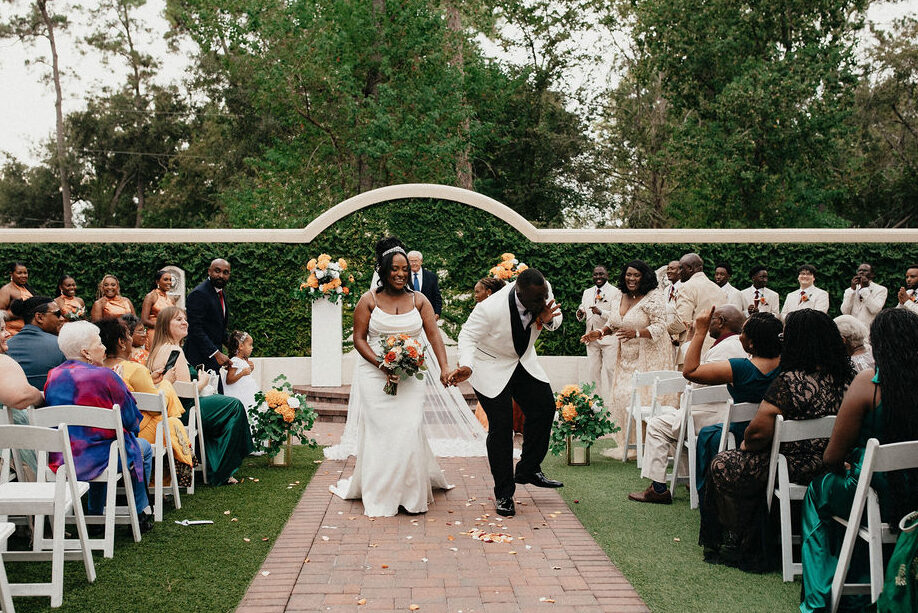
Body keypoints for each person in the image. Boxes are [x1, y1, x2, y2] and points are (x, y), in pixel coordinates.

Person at [700, 309, 854, 571]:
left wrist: (747, 445)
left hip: (789, 466)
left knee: (723, 464)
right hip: (836, 465)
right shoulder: (847, 379)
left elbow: (758, 433)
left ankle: (736, 539)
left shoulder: (790, 381)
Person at [800, 308, 918, 613]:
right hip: (914, 497)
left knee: (818, 491)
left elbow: (832, 456)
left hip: (876, 493)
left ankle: (819, 596)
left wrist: (845, 464)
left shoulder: (870, 382)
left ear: (878, 343)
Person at [330, 243, 453, 517]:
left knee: (408, 428)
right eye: (395, 269)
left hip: (411, 377)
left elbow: (434, 336)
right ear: (384, 272)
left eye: (405, 269)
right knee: (381, 432)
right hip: (374, 375)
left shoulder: (420, 300)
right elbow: (358, 339)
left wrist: (445, 368)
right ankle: (382, 493)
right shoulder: (368, 300)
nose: (400, 274)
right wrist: (382, 364)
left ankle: (409, 495)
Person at [450, 267, 564, 518]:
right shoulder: (489, 308)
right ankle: (504, 493)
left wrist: (547, 319)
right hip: (488, 365)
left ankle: (528, 468)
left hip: (522, 362)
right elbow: (467, 335)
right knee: (501, 427)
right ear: (519, 294)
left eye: (544, 297)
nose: (542, 302)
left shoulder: (541, 290)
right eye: (536, 300)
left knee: (544, 408)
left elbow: (555, 319)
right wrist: (467, 364)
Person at [628, 304, 751, 504]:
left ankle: (658, 488)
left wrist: (696, 338)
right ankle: (692, 479)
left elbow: (696, 382)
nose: (709, 323)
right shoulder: (744, 346)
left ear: (720, 322)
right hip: (735, 415)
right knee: (677, 424)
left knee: (657, 425)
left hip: (710, 417)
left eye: (712, 320)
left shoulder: (723, 348)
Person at [44, 321, 154, 533]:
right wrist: (120, 383)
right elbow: (132, 421)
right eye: (99, 343)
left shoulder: (53, 376)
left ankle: (95, 512)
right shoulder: (106, 376)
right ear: (85, 352)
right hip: (102, 459)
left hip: (62, 458)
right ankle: (141, 510)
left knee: (104, 444)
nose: (104, 347)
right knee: (142, 448)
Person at [148, 306, 253, 485]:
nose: (185, 322)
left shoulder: (158, 349)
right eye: (178, 319)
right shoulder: (174, 350)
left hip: (171, 410)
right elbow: (185, 392)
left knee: (223, 407)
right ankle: (220, 471)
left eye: (185, 318)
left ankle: (216, 465)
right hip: (184, 412)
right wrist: (203, 381)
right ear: (166, 326)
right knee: (233, 406)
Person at [580, 259, 673, 459]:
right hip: (626, 356)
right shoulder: (619, 296)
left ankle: (651, 444)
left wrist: (637, 333)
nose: (631, 278)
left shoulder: (653, 296)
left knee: (644, 397)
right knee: (622, 397)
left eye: (636, 275)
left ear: (644, 277)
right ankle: (631, 444)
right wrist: (600, 332)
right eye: (628, 274)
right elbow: (614, 323)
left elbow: (660, 326)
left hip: (650, 355)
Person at [97, 317, 196, 487]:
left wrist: (151, 380)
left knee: (168, 419)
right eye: (128, 335)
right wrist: (166, 384)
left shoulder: (97, 369)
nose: (130, 340)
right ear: (121, 343)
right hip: (133, 434)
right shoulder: (135, 369)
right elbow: (157, 409)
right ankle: (163, 477)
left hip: (102, 434)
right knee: (170, 421)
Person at [470, 277, 525, 433]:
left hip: (494, 363)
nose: (475, 295)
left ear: (488, 292)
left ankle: (500, 427)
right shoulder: (479, 309)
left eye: (477, 291)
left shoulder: (501, 311)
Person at [184, 259, 231, 383]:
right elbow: (195, 329)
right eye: (217, 271)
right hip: (198, 359)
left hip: (212, 360)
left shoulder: (220, 293)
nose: (221, 275)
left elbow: (218, 328)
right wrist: (216, 353)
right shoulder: (199, 293)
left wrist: (237, 349)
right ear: (209, 272)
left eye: (225, 272)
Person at [576, 265, 618, 400]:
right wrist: (580, 313)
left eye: (601, 274)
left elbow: (617, 316)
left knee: (611, 370)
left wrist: (601, 312)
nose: (598, 277)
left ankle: (614, 401)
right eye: (595, 274)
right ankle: (596, 402)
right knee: (593, 372)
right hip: (591, 337)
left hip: (609, 338)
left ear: (607, 275)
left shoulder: (616, 292)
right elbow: (583, 309)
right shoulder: (587, 292)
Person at [6, 296, 66, 389]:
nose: (62, 318)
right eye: (58, 314)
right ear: (39, 317)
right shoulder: (61, 345)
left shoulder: (6, 347)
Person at [673, 253, 726, 357]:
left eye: (681, 268)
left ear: (690, 268)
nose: (678, 273)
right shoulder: (718, 289)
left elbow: (682, 321)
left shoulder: (686, 287)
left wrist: (666, 331)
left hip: (692, 349)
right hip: (716, 348)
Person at [0, 313, 44, 410]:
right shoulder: (2, 360)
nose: (8, 334)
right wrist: (40, 398)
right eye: (2, 330)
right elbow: (20, 397)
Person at [221, 330, 258, 412]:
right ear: (241, 346)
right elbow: (229, 380)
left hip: (245, 392)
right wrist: (242, 373)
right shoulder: (235, 361)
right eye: (250, 345)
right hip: (237, 393)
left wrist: (250, 369)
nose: (252, 348)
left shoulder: (243, 360)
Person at [840, 262, 887, 327]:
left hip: (870, 329)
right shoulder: (849, 290)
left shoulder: (881, 289)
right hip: (853, 329)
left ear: (872, 275)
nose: (861, 272)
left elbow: (875, 310)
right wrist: (852, 290)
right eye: (859, 270)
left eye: (865, 271)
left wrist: (864, 289)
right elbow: (845, 311)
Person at [140, 270, 176, 350]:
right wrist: (163, 326)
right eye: (166, 279)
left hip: (169, 335)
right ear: (157, 282)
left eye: (170, 280)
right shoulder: (151, 296)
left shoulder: (171, 299)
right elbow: (144, 320)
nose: (169, 282)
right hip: (155, 334)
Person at [0, 262, 35, 336]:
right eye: (19, 273)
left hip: (28, 329)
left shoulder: (27, 288)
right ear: (11, 274)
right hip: (12, 332)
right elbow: (0, 313)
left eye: (25, 273)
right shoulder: (6, 290)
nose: (23, 276)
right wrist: (20, 312)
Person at [407, 250, 442, 318]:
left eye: (416, 260)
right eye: (411, 261)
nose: (413, 263)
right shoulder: (404, 276)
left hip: (427, 315)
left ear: (421, 261)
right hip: (409, 315)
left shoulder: (431, 277)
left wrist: (437, 314)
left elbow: (437, 297)